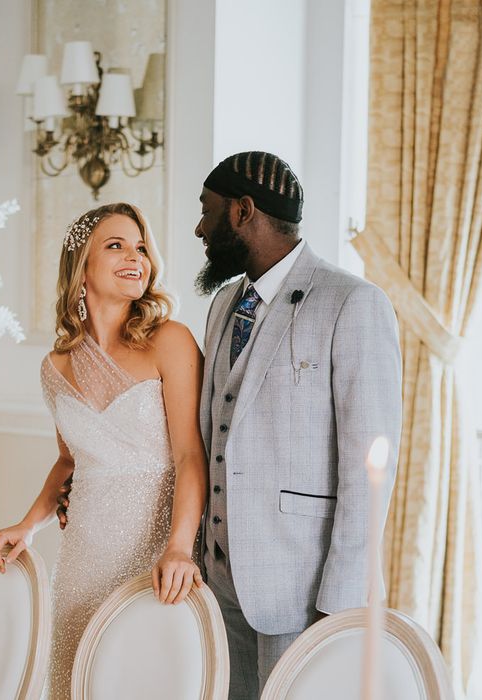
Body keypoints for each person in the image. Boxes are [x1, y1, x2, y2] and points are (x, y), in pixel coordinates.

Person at [195, 151, 403, 698]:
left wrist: (342, 602)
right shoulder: (222, 306)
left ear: (243, 211)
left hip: (303, 589)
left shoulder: (353, 303)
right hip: (219, 585)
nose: (199, 227)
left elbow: (370, 465)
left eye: (207, 211)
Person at [0, 202, 208, 700]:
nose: (136, 257)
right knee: (75, 683)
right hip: (84, 557)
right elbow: (70, 462)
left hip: (157, 555)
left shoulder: (169, 341)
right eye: (116, 245)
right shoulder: (55, 366)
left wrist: (178, 547)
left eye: (142, 247)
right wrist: (28, 524)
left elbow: (190, 457)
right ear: (82, 266)